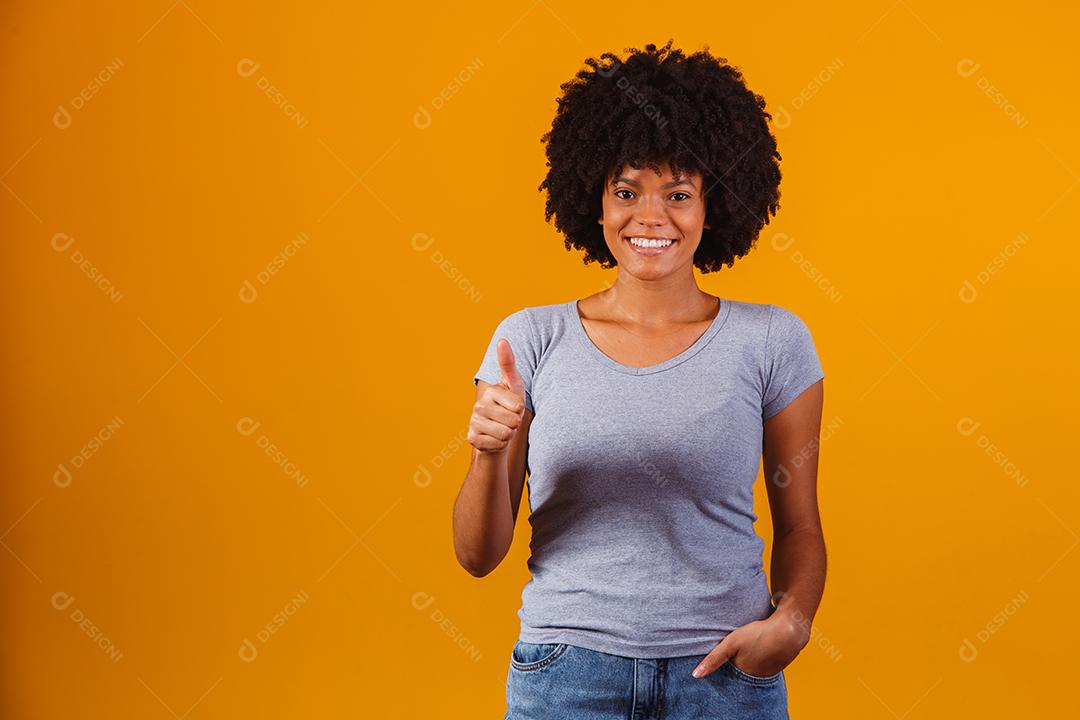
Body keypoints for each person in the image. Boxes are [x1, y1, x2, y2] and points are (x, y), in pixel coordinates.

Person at [453, 40, 825, 719]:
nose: (650, 217)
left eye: (678, 193)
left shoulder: (773, 341)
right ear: (593, 199)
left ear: (713, 207)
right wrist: (485, 455)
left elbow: (799, 525)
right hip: (566, 678)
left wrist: (790, 623)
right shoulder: (530, 340)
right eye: (626, 191)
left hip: (724, 679)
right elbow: (478, 556)